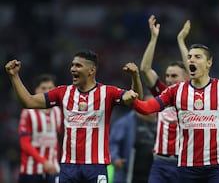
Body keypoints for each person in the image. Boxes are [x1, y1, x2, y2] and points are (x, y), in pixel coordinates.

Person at [123, 44, 219, 182]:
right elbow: (147, 107)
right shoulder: (175, 91)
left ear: (209, 63)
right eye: (189, 57)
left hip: (217, 166)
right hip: (187, 169)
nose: (191, 60)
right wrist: (133, 101)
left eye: (197, 57)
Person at [5, 50, 143, 183]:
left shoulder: (107, 93)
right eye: (72, 65)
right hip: (68, 166)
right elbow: (28, 101)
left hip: (96, 165)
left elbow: (137, 101)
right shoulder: (62, 93)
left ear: (91, 70)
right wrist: (14, 76)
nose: (72, 69)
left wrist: (135, 77)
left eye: (78, 65)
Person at [140, 15, 189, 183]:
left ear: (185, 78)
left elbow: (192, 70)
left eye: (174, 76)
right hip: (160, 163)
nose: (168, 79)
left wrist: (181, 41)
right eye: (167, 75)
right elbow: (145, 69)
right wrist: (153, 38)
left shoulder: (191, 95)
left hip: (183, 163)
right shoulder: (162, 94)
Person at [18, 74, 62, 183]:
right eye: (43, 88)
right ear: (36, 90)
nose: (47, 91)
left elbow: (56, 139)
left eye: (50, 88)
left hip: (52, 170)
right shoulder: (28, 112)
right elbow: (25, 144)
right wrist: (43, 161)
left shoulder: (58, 111)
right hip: (31, 171)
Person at [109, 94, 156, 183]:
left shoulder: (157, 124)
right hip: (129, 174)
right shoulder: (125, 123)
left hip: (150, 174)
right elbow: (113, 143)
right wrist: (115, 158)